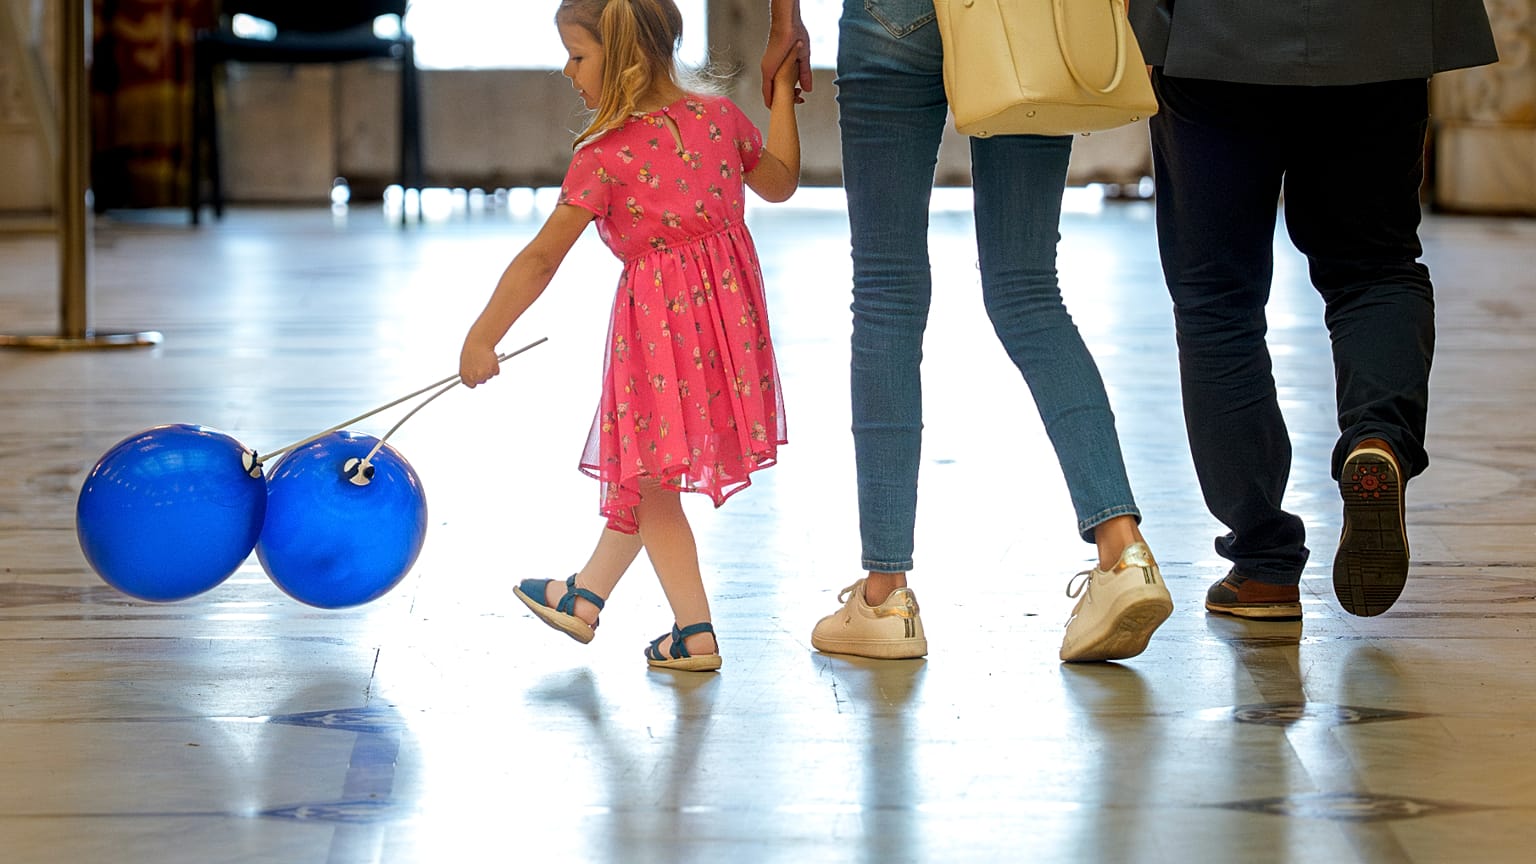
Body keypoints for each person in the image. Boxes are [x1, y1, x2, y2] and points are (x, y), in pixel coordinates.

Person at [759, 0, 1173, 663]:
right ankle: (1122, 553)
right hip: (1026, 12)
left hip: (891, 17)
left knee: (886, 289)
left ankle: (885, 596)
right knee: (1029, 288)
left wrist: (786, 20)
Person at [459, 0, 802, 672]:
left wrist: (482, 335)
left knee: (649, 482)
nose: (567, 70)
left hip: (657, 336)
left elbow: (541, 259)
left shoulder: (605, 155)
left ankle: (694, 631)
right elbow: (783, 183)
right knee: (646, 471)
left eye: (578, 56)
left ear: (624, 60)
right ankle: (586, 596)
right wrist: (783, 92)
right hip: (729, 335)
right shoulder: (718, 120)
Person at [1126, 1, 1498, 619]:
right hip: (1378, 37)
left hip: (1214, 38)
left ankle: (1264, 564)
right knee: (1374, 268)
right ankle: (1377, 439)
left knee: (1217, 301)